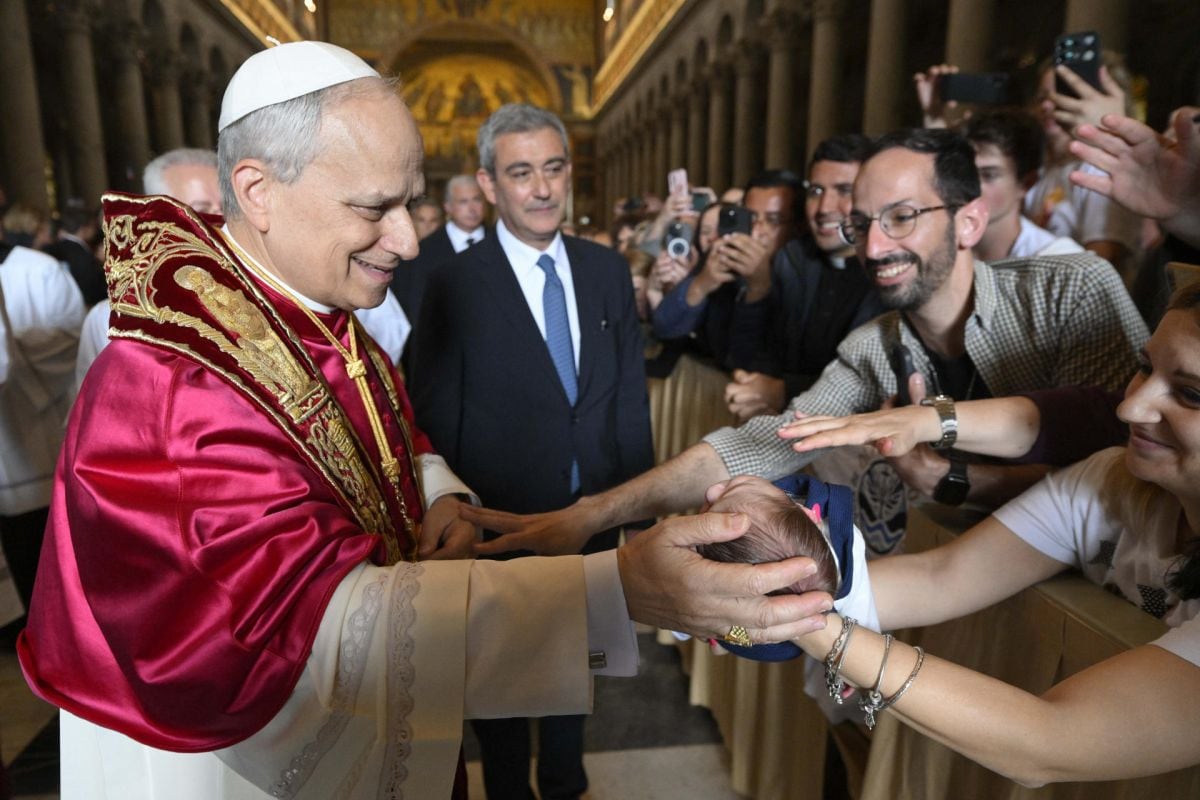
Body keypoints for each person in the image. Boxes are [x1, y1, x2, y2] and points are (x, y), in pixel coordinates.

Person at [17, 41, 829, 800]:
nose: (407, 241)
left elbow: (391, 429)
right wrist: (615, 589)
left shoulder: (300, 304)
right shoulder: (176, 380)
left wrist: (436, 496)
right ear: (260, 192)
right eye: (376, 208)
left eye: (411, 203)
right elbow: (295, 635)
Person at [463, 127, 1148, 557]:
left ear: (970, 221)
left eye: (903, 218)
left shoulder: (1072, 292)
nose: (875, 246)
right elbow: (763, 443)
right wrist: (590, 516)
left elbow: (1127, 472)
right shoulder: (876, 345)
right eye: (861, 224)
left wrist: (961, 480)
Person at [737, 279, 1200, 784]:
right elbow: (940, 577)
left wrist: (797, 618)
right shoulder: (1111, 482)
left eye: (1191, 394)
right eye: (1143, 367)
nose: (1129, 408)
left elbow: (1050, 740)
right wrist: (753, 569)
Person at [411, 103, 655, 800]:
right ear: (490, 185)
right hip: (501, 524)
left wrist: (641, 504)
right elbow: (432, 410)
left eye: (553, 169)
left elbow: (627, 394)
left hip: (595, 513)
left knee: (580, 667)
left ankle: (566, 784)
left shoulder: (607, 270)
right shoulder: (453, 283)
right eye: (522, 173)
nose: (543, 188)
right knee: (504, 686)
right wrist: (450, 505)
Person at [724, 134, 884, 420]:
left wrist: (784, 390)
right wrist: (756, 386)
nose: (824, 208)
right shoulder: (793, 259)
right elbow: (758, 354)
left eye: (844, 190)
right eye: (816, 191)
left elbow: (875, 380)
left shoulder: (888, 268)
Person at [0, 207, 85, 624]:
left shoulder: (42, 268)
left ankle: (50, 615)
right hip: (8, 416)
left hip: (33, 414)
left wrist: (15, 347)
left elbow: (71, 330)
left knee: (37, 522)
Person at [959, 109, 1084, 260]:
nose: (970, 184)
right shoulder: (942, 250)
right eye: (963, 171)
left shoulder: (1059, 260)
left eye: (989, 175)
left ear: (1026, 184)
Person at [389, 174, 488, 365]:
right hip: (439, 360)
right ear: (448, 207)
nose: (472, 208)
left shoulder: (503, 245)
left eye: (477, 200)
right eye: (463, 202)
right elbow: (414, 314)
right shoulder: (422, 253)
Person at [43, 202, 105, 306]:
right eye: (93, 226)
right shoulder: (81, 254)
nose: (96, 230)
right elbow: (93, 289)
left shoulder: (53, 247)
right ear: (84, 228)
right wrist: (102, 264)